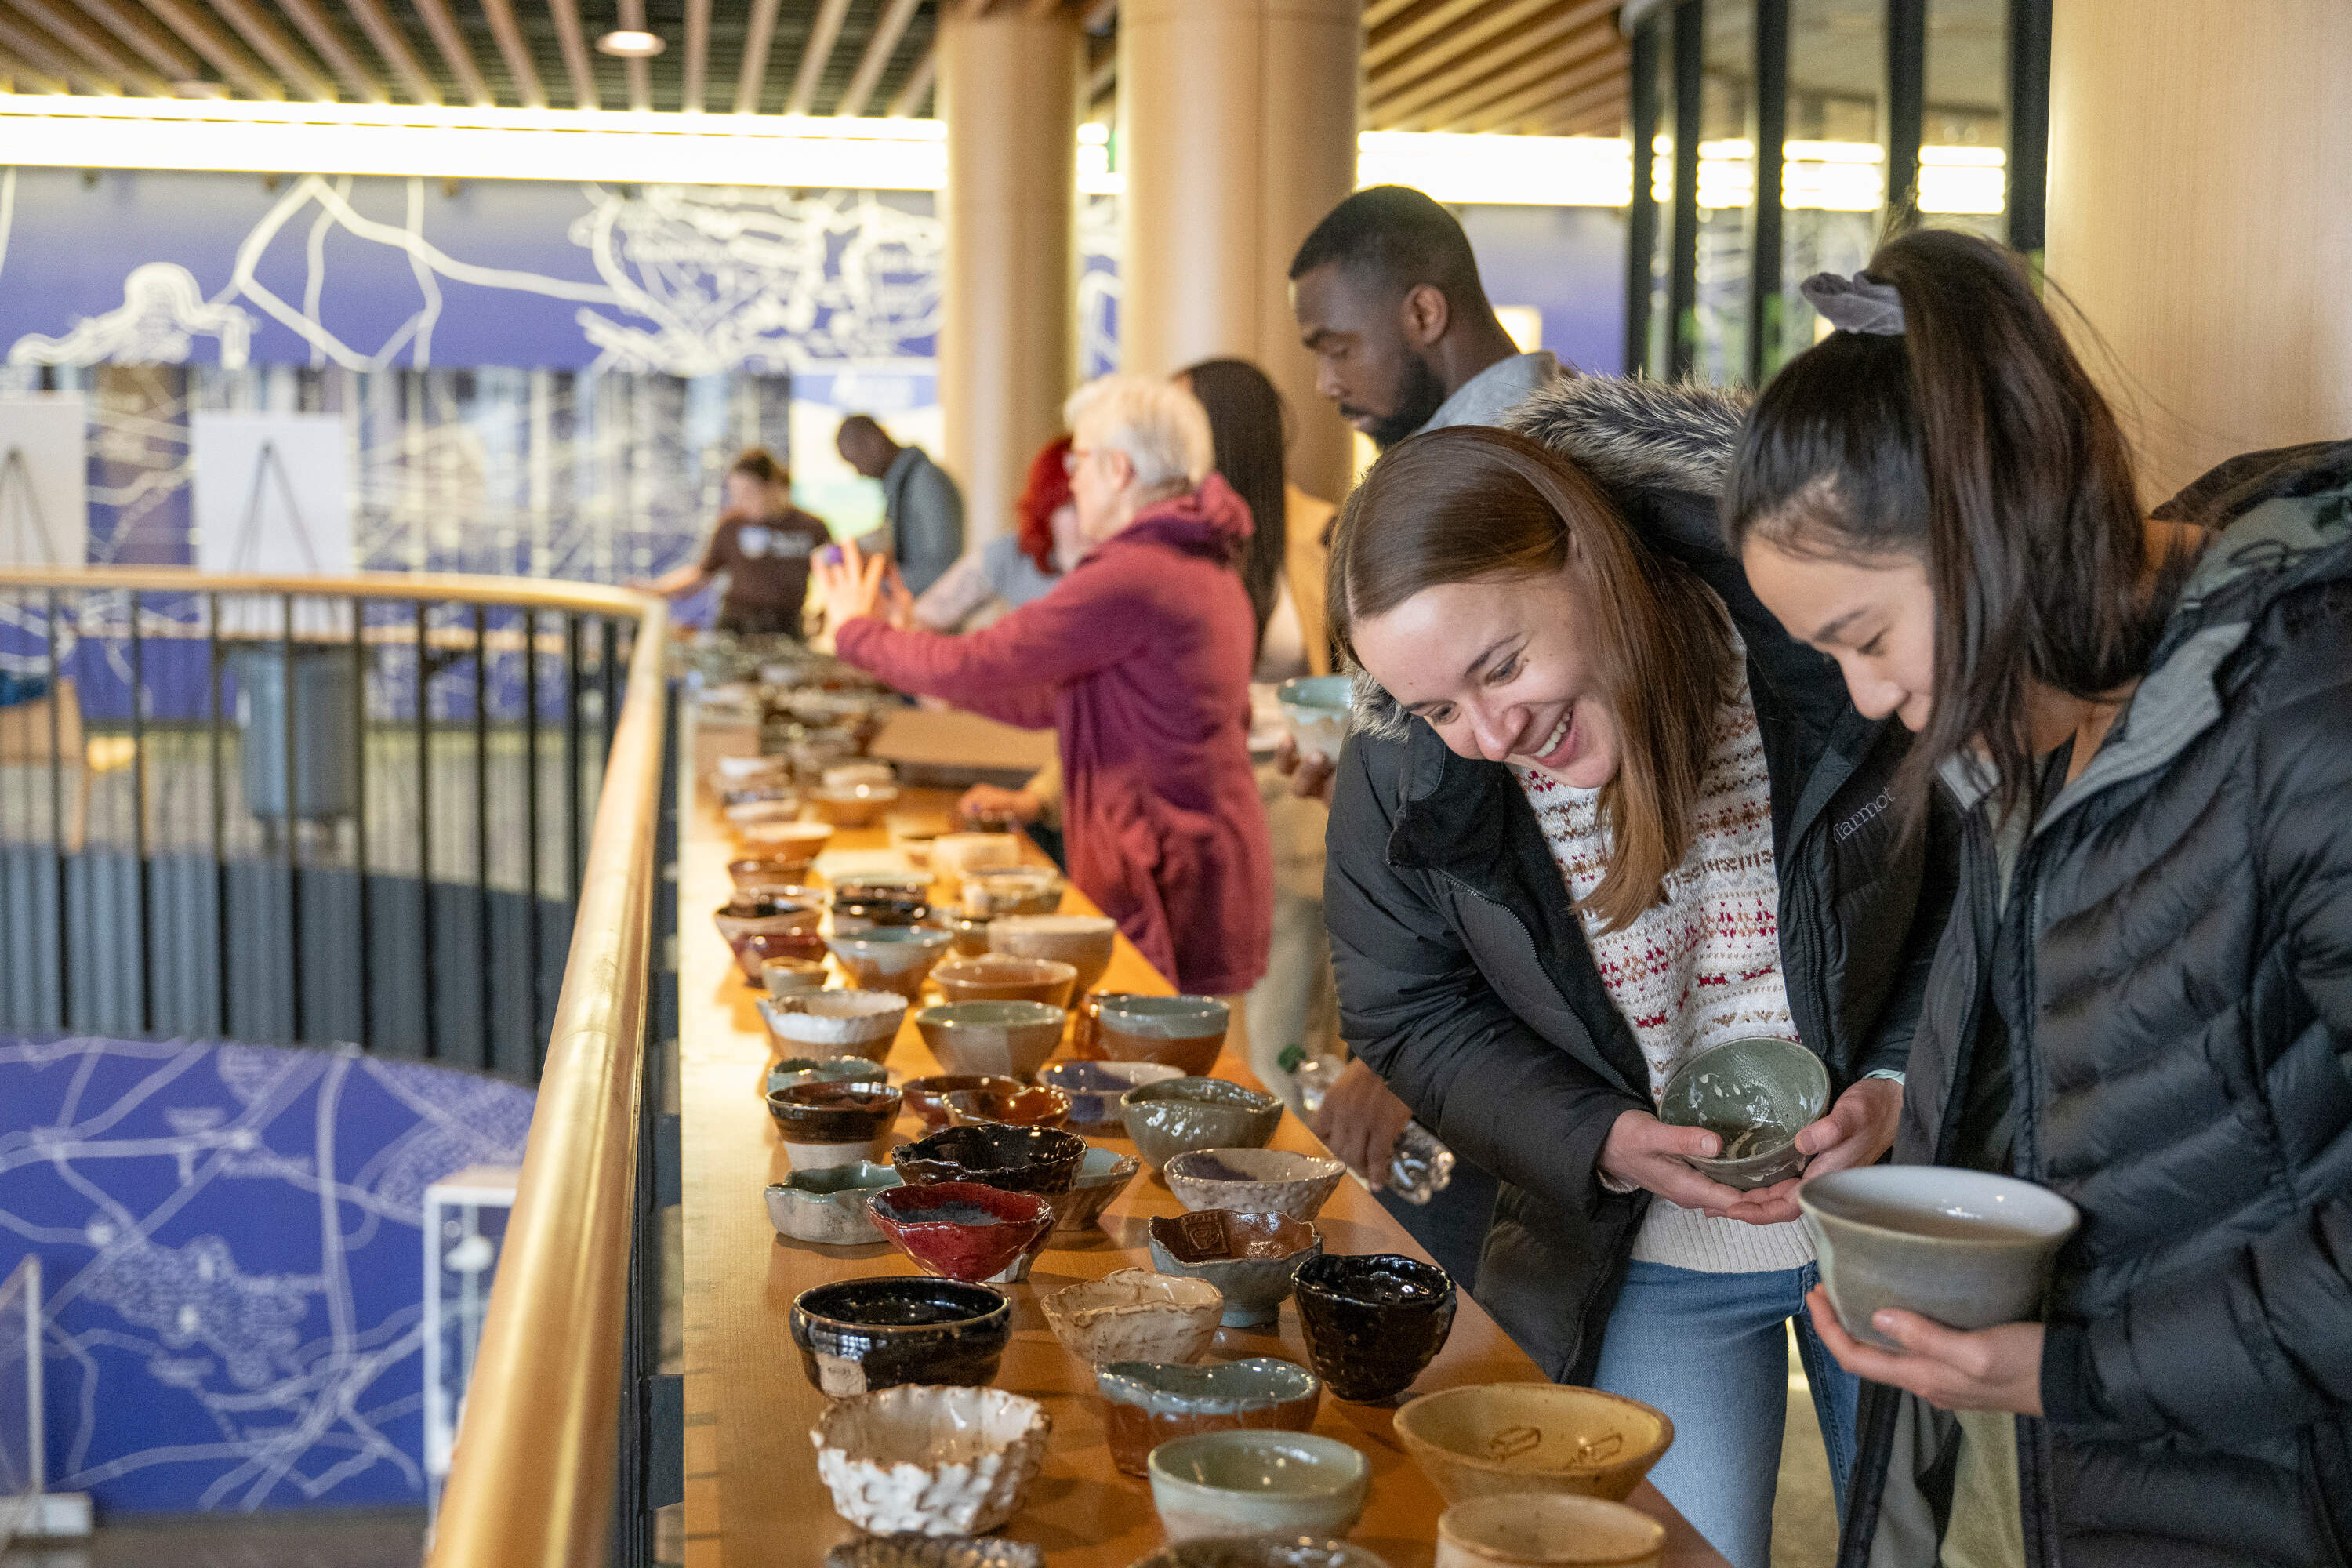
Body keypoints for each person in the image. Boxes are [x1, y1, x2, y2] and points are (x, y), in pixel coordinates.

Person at [1726, 229, 2352, 1567]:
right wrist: (1917, 1108)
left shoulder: (2308, 718)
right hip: (2060, 1488)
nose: (1875, 701)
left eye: (1869, 639)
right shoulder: (2037, 732)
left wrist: (2074, 1373)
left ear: (1987, 521)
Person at [1323, 405, 1951, 1568]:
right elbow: (1406, 1008)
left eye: (1502, 667)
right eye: (1438, 708)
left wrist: (1899, 1075)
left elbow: (1959, 894)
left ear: (1588, 558)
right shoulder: (1403, 763)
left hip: (1888, 1213)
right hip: (1643, 1249)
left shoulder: (1815, 638)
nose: (1490, 733)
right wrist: (1601, 1138)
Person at [1279, 182, 1563, 1279]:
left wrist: (1411, 1054)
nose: (1327, 379)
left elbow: (1536, 801)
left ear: (1424, 314)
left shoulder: (1505, 471)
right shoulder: (1483, 451)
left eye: (1337, 343)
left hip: (1491, 1021)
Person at [814, 376, 1272, 999]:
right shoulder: (1191, 558)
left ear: (1117, 469)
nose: (1072, 480)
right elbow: (1053, 699)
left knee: (1163, 1070)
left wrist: (860, 636)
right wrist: (913, 660)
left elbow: (985, 662)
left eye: (1077, 461)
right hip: (1188, 858)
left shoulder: (1137, 572)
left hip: (1166, 868)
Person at [1174, 358, 1345, 1098]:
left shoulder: (1325, 532)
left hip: (1292, 791)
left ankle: (1291, 1183)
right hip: (1196, 797)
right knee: (1198, 1019)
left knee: (1283, 1024)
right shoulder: (1175, 542)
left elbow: (1363, 683)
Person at [632, 448, 826, 637]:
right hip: (736, 624)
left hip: (786, 625)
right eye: (736, 494)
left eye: (748, 493)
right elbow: (701, 573)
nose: (740, 502)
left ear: (773, 486)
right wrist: (655, 588)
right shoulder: (731, 526)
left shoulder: (812, 527)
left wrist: (824, 611)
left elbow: (836, 576)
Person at [912, 435, 1087, 633]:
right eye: (1073, 506)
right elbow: (923, 618)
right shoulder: (1015, 553)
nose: (1089, 518)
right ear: (1047, 508)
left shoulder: (1121, 563)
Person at [836, 414, 966, 597]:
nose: (860, 473)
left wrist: (878, 583)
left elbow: (944, 569)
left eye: (856, 461)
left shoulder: (925, 481)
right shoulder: (902, 486)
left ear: (874, 441)